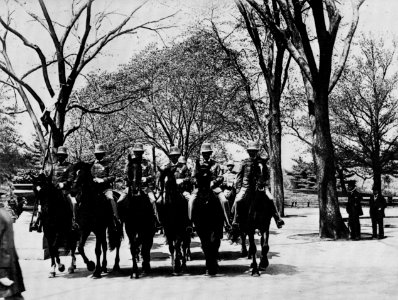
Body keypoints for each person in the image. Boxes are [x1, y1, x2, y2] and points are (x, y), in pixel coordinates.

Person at [232, 141, 284, 230]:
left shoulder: (261, 162)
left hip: (261, 186)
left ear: (257, 152)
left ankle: (277, 219)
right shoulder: (244, 162)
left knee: (270, 198)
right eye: (251, 151)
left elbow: (267, 175)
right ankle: (235, 220)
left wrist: (264, 184)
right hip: (246, 187)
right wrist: (238, 189)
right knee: (237, 200)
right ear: (248, 152)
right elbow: (239, 177)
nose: (252, 153)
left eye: (254, 151)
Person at [188, 143, 232, 231]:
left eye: (207, 153)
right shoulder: (197, 165)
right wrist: (198, 182)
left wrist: (214, 182)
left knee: (224, 200)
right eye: (204, 153)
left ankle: (228, 223)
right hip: (200, 188)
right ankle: (190, 223)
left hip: (214, 188)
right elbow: (192, 178)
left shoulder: (215, 164)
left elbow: (221, 176)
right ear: (202, 154)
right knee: (191, 200)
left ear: (210, 153)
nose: (206, 155)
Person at [118, 143, 160, 227]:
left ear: (142, 152)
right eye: (136, 152)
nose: (138, 153)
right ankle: (119, 220)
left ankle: (156, 220)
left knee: (154, 201)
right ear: (134, 152)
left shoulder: (147, 163)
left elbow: (153, 175)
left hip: (144, 187)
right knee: (120, 200)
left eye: (140, 152)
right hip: (130, 187)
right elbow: (124, 174)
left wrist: (146, 178)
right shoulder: (129, 163)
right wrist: (128, 179)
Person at [48, 146, 77, 229]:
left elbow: (71, 179)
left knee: (74, 202)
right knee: (44, 201)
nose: (60, 157)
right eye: (59, 155)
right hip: (53, 191)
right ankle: (39, 219)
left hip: (65, 191)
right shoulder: (52, 166)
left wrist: (63, 184)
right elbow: (49, 178)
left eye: (62, 155)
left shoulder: (70, 166)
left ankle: (74, 221)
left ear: (65, 156)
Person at [90, 143, 119, 226]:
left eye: (100, 154)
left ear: (103, 154)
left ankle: (115, 218)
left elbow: (113, 176)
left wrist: (103, 180)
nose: (98, 155)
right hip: (94, 188)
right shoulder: (91, 164)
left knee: (111, 198)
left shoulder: (108, 164)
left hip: (106, 188)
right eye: (96, 154)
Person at [0, 206, 25, 300]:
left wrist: (2, 272)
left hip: (5, 267)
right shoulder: (4, 213)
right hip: (10, 264)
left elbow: (4, 244)